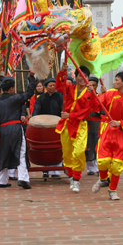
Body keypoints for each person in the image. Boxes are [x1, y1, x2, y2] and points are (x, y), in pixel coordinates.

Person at [91, 71, 123, 200]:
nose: (114, 82)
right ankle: (102, 178)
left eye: (117, 79)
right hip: (108, 131)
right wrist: (93, 93)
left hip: (121, 133)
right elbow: (95, 106)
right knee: (103, 160)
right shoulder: (109, 94)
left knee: (117, 164)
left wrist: (120, 123)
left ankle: (112, 190)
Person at [0, 74, 36, 189]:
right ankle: (23, 179)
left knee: (3, 154)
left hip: (2, 130)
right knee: (20, 152)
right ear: (11, 89)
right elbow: (30, 92)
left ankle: (1, 181)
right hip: (15, 129)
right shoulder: (16, 98)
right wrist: (31, 77)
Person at [55, 63, 97, 193]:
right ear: (76, 76)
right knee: (67, 154)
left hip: (80, 125)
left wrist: (93, 94)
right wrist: (62, 72)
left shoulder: (89, 92)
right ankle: (72, 175)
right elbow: (58, 86)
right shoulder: (69, 88)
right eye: (80, 75)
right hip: (67, 124)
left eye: (85, 76)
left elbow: (91, 109)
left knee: (79, 152)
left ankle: (76, 179)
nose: (82, 78)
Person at [32, 77, 63, 178]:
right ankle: (45, 169)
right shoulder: (41, 98)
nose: (53, 87)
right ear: (45, 87)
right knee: (45, 148)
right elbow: (36, 110)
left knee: (58, 148)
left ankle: (56, 172)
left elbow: (63, 110)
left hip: (58, 126)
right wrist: (35, 119)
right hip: (44, 127)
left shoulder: (60, 97)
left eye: (54, 85)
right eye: (50, 85)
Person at [85, 76, 102, 176]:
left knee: (98, 146)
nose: (91, 87)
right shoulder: (83, 96)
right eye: (89, 85)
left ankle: (99, 166)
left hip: (97, 124)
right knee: (88, 146)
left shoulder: (100, 96)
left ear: (97, 86)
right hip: (86, 124)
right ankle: (90, 168)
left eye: (94, 85)